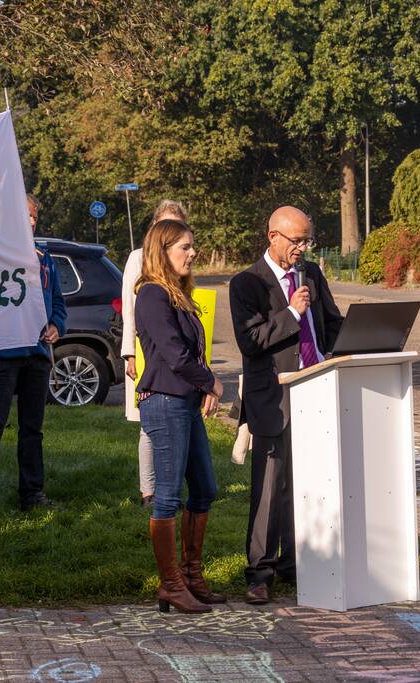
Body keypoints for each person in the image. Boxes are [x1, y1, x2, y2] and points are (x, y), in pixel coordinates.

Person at [228, 206, 343, 605]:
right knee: (270, 487)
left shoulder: (311, 274)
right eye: (296, 241)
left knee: (309, 482)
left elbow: (331, 323)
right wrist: (293, 311)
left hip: (318, 387)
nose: (302, 248)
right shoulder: (247, 283)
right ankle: (260, 572)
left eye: (307, 240)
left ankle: (298, 563)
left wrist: (366, 339)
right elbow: (251, 341)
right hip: (274, 397)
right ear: (272, 236)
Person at [135, 218, 224, 614]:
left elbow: (189, 352)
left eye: (192, 246)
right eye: (184, 247)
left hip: (184, 401)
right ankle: (171, 584)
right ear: (163, 250)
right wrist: (211, 382)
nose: (192, 253)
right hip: (165, 401)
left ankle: (190, 576)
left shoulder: (178, 294)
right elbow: (174, 354)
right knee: (168, 496)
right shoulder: (152, 294)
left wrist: (201, 387)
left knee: (204, 488)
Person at [0, 195, 67, 513]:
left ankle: (32, 493)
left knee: (32, 429)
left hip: (37, 354)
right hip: (2, 353)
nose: (31, 221)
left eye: (34, 216)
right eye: (25, 216)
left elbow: (58, 302)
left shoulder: (45, 258)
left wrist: (56, 325)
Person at [121, 200, 189, 508]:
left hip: (174, 348)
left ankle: (171, 485)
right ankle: (149, 490)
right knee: (149, 423)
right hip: (146, 348)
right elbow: (129, 308)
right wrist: (130, 353)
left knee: (176, 421)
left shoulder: (182, 256)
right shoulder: (138, 258)